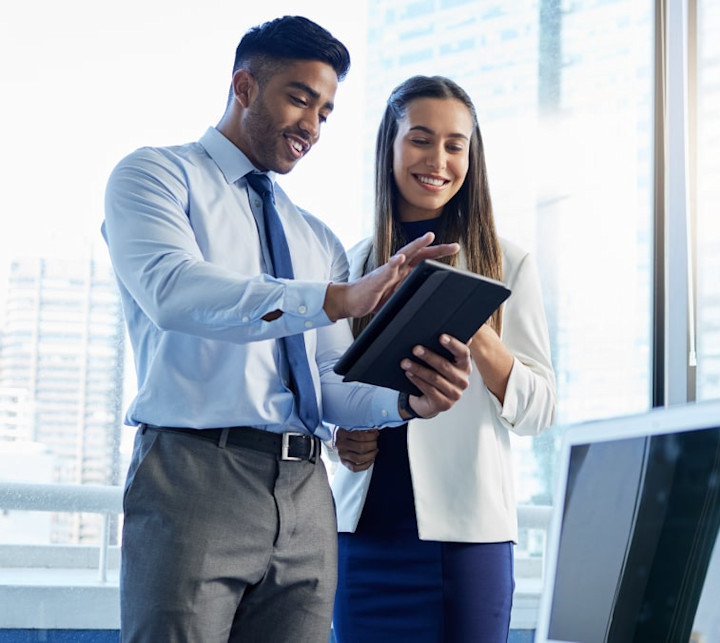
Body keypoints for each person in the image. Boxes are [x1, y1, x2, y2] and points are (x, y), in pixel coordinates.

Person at [102, 19, 473, 643]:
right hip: (195, 474)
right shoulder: (156, 177)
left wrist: (408, 400)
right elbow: (175, 292)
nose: (312, 125)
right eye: (299, 98)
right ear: (244, 86)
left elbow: (328, 382)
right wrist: (334, 299)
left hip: (306, 492)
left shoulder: (315, 237)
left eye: (325, 112)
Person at [329, 75, 557, 642]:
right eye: (421, 139)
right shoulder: (351, 264)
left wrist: (478, 330)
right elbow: (327, 389)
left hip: (469, 539)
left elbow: (540, 410)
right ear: (390, 146)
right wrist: (340, 434)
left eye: (456, 145)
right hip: (365, 535)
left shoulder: (510, 263)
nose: (438, 159)